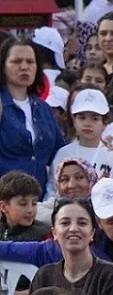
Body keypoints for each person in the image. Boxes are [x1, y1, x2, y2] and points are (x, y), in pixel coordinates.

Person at [0, 36, 64, 188]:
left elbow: (60, 152)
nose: (24, 67)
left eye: (30, 62)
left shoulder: (44, 108)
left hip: (38, 197)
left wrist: (98, 145)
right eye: (16, 61)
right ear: (3, 66)